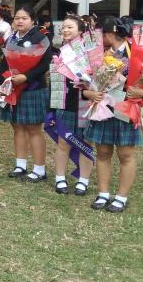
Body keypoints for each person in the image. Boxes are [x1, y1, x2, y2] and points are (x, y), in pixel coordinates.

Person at [83, 16, 143, 213]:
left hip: (125, 107)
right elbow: (86, 80)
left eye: (101, 34)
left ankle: (121, 197)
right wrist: (88, 92)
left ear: (110, 34)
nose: (99, 39)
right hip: (103, 107)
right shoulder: (98, 55)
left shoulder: (138, 52)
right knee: (103, 152)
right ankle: (103, 193)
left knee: (125, 154)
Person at [0, 5, 52, 182]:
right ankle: (20, 164)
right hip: (12, 87)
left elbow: (45, 64)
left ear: (32, 20)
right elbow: (5, 63)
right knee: (17, 125)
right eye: (17, 18)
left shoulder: (41, 38)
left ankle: (39, 169)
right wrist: (0, 84)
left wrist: (26, 76)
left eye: (24, 18)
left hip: (33, 87)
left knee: (34, 128)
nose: (20, 21)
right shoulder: (11, 38)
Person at [51, 15, 93, 195]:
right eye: (64, 27)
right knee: (64, 141)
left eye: (70, 27)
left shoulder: (91, 50)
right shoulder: (62, 50)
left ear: (81, 31)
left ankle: (83, 180)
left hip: (87, 100)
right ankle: (60, 177)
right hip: (66, 101)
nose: (65, 30)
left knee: (86, 142)